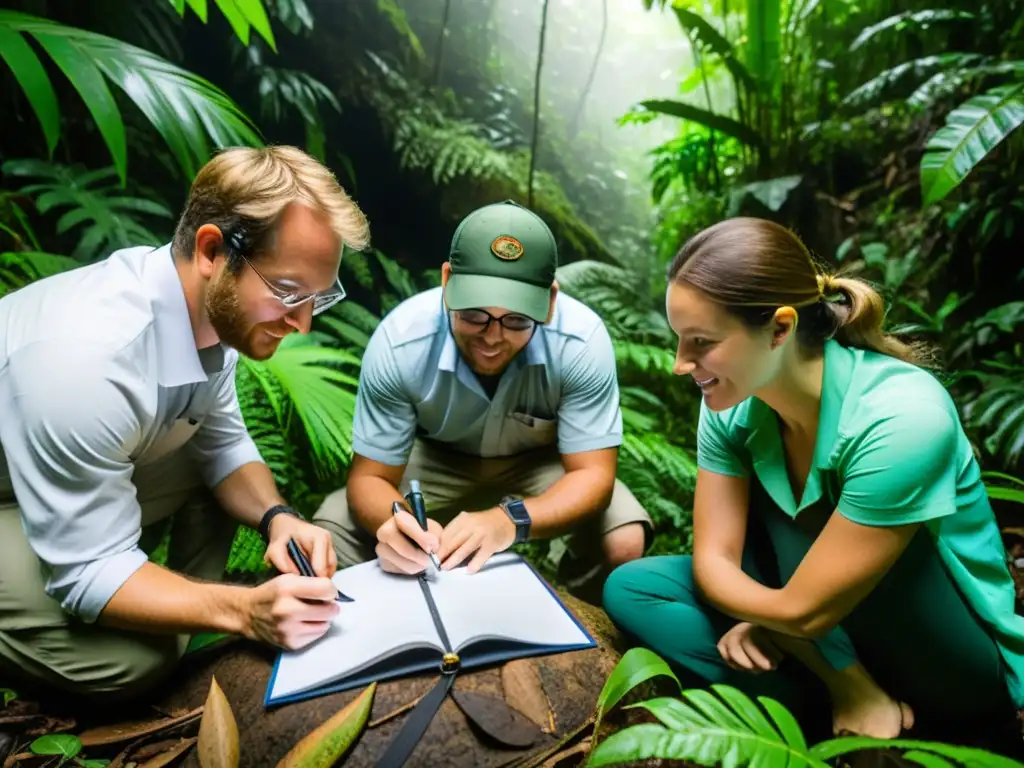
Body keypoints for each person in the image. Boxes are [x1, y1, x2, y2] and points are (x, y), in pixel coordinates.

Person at [602, 217, 1024, 755]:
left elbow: (804, 610)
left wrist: (767, 617)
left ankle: (845, 705)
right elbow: (713, 565)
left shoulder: (901, 417)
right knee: (636, 589)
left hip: (941, 650)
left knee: (793, 577)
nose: (681, 364)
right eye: (679, 340)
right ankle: (842, 706)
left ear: (779, 329)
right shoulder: (728, 404)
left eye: (701, 343)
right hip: (820, 632)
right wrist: (805, 640)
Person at [0, 145, 370, 702]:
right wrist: (243, 611)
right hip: (12, 496)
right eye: (290, 293)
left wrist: (278, 519)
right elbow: (86, 573)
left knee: (208, 484)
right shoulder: (86, 361)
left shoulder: (212, 312)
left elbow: (222, 443)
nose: (304, 323)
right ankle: (181, 621)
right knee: (127, 667)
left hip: (65, 479)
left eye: (320, 297)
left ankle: (181, 614)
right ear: (212, 250)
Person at [313, 199, 651, 599]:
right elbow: (370, 479)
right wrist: (399, 522)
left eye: (517, 320)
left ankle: (575, 613)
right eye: (473, 314)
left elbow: (593, 477)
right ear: (447, 281)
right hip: (433, 461)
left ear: (550, 301)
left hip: (537, 467)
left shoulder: (580, 343)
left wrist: (510, 521)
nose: (492, 336)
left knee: (625, 540)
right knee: (331, 530)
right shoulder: (401, 341)